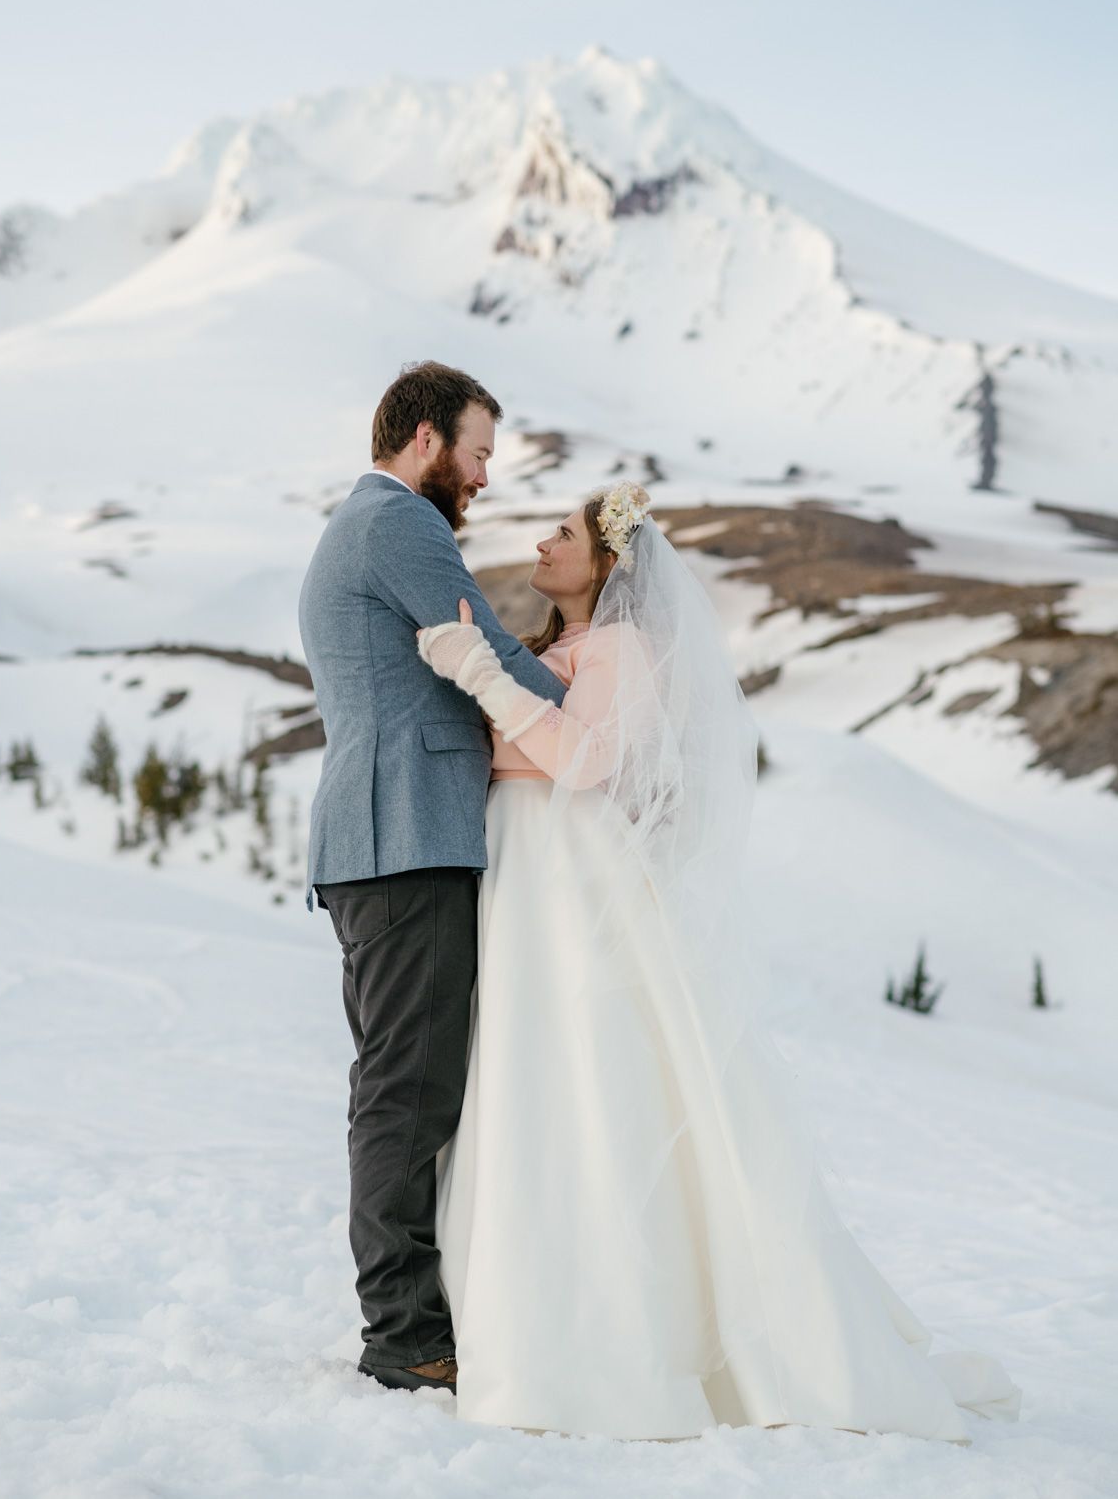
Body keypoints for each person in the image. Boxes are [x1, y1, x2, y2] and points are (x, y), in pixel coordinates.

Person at [416, 482, 1023, 1440]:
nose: (540, 541)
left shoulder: (621, 650)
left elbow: (582, 761)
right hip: (529, 887)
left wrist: (479, 676)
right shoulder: (566, 648)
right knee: (537, 1080)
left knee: (587, 1078)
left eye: (561, 533)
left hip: (573, 889)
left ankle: (610, 1335)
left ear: (608, 564)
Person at [297, 360, 566, 1394]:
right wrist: (602, 701)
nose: (484, 477)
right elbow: (489, 651)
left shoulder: (368, 524)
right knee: (406, 1092)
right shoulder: (401, 524)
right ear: (424, 440)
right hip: (401, 835)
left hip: (393, 834)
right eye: (479, 451)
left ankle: (418, 1317)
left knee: (409, 1085)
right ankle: (404, 1336)